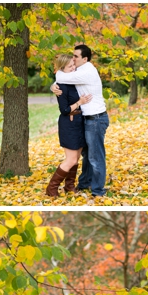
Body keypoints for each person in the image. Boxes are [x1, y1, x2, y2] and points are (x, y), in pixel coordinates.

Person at [50, 44, 109, 198]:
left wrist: (55, 83)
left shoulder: (87, 71)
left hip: (95, 119)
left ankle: (98, 191)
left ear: (85, 59)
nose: (73, 59)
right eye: (72, 56)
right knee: (87, 156)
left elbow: (61, 76)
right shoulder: (77, 70)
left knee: (95, 157)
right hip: (84, 119)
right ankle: (84, 184)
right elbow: (63, 79)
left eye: (76, 57)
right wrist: (54, 87)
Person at [45, 54, 92, 197]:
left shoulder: (74, 80)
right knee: (70, 159)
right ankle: (51, 188)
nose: (73, 68)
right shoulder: (61, 86)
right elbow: (64, 110)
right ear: (61, 70)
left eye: (73, 65)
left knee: (76, 158)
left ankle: (69, 187)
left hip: (79, 122)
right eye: (70, 66)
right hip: (69, 123)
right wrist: (79, 103)